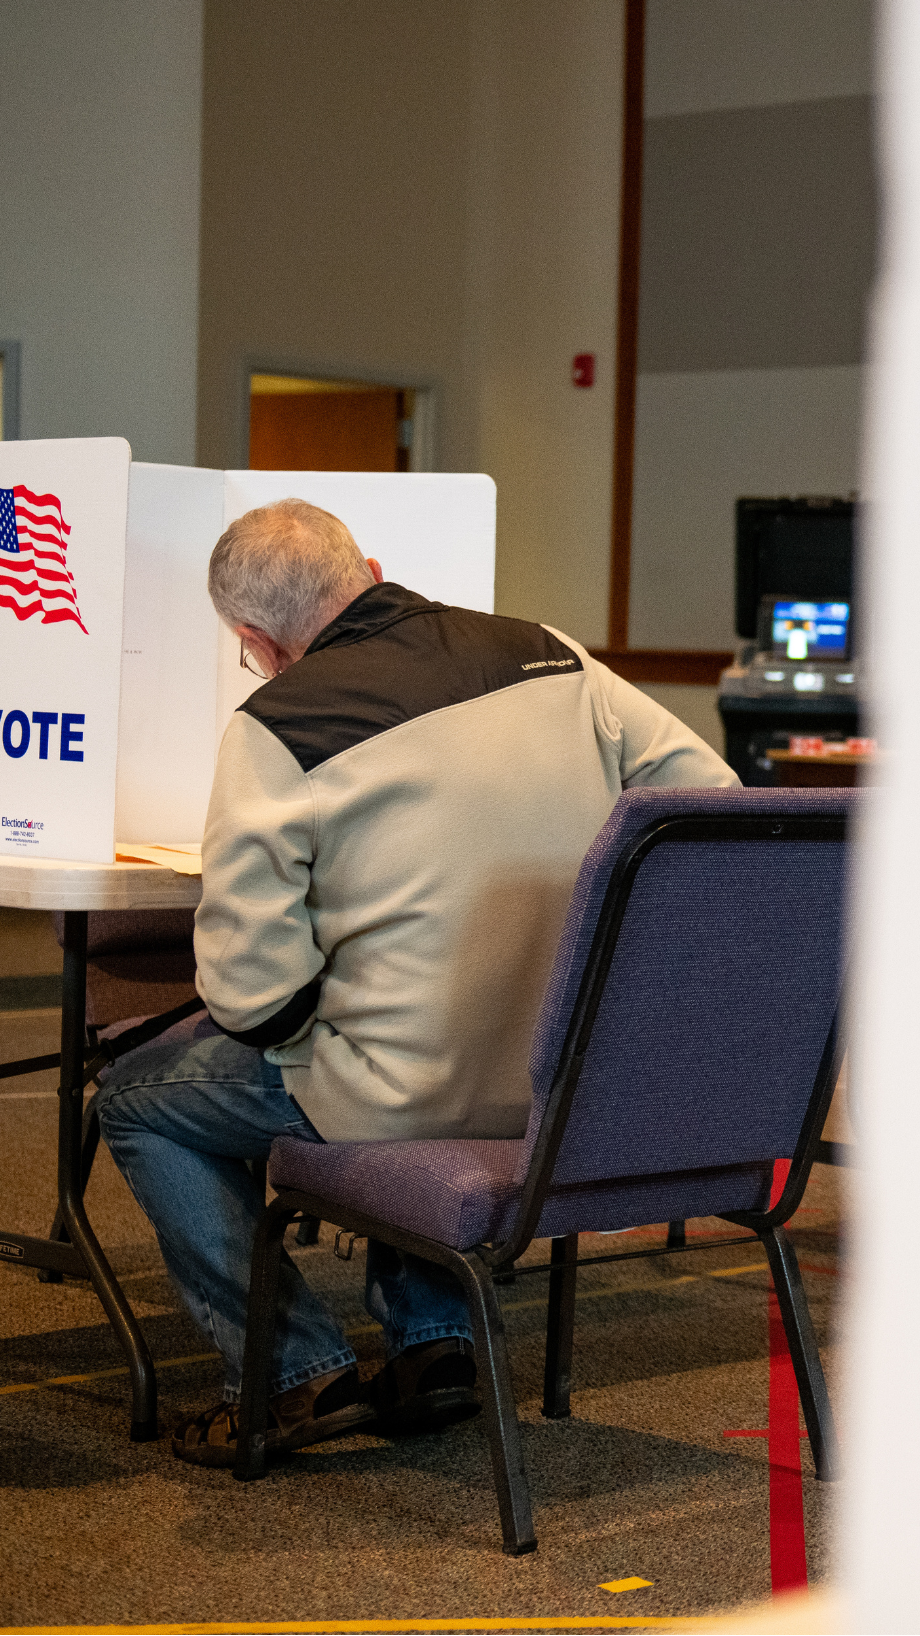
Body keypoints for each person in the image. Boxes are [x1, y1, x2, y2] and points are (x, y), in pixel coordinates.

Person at [94, 499, 738, 1466]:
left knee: (137, 1097)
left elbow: (249, 992)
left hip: (407, 1087)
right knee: (412, 1014)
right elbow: (712, 803)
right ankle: (434, 1347)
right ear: (373, 567)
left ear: (257, 641)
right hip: (565, 1080)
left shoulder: (276, 725)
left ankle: (290, 1371)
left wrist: (348, 989)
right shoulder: (550, 653)